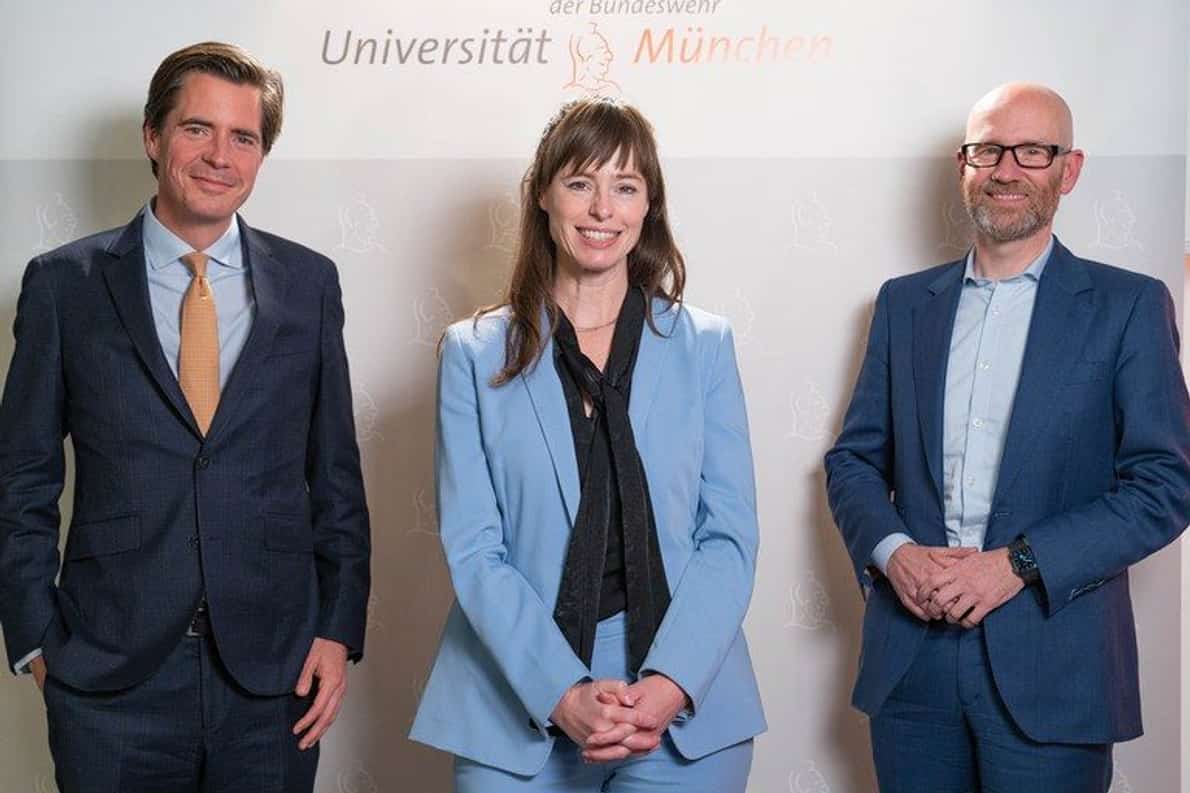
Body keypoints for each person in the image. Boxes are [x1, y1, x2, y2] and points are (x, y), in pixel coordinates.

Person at [0, 41, 371, 793]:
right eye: (197, 129)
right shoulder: (62, 286)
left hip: (273, 680)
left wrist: (338, 629)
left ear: (262, 154)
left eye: (244, 137)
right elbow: (22, 479)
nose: (219, 156)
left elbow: (334, 475)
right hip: (109, 682)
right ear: (153, 136)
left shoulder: (309, 285)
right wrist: (37, 640)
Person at [824, 82, 1190, 793]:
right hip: (912, 666)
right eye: (988, 149)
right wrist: (893, 554)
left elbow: (1165, 485)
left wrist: (1017, 563)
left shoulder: (1130, 305)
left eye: (1032, 150)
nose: (1007, 168)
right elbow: (853, 461)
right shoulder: (903, 304)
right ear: (965, 165)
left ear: (1069, 169)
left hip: (1056, 665)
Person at [410, 98, 765, 792]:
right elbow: (476, 549)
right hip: (517, 690)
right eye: (580, 182)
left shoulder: (707, 345)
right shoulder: (471, 353)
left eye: (625, 187)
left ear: (648, 205)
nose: (603, 208)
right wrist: (560, 691)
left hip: (683, 689)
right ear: (543, 193)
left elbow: (729, 536)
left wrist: (669, 683)